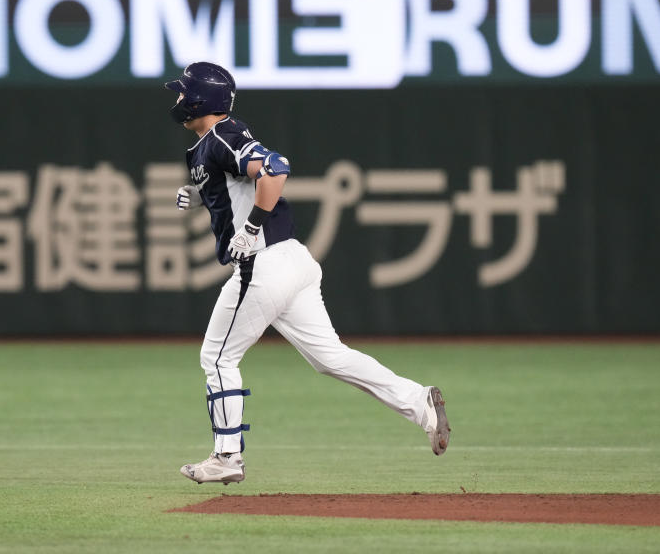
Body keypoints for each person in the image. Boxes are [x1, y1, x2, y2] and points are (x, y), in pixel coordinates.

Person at [168, 62, 450, 484]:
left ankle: (227, 456)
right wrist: (202, 193)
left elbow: (275, 168)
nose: (177, 100)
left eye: (182, 92)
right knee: (330, 357)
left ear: (198, 99)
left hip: (263, 264)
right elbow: (239, 181)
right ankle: (419, 402)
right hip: (293, 261)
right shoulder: (214, 143)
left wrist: (248, 228)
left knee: (218, 356)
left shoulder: (222, 136)